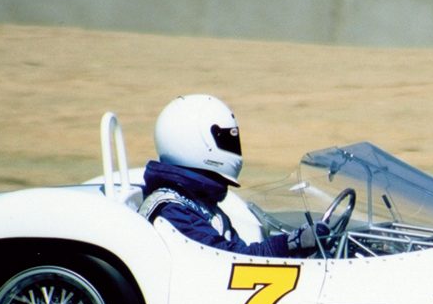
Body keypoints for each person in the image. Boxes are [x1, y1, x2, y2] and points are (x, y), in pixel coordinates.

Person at [139, 94, 324, 256]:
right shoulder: (173, 211)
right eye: (226, 140)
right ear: (193, 142)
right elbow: (230, 260)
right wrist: (290, 244)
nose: (233, 147)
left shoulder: (196, 203)